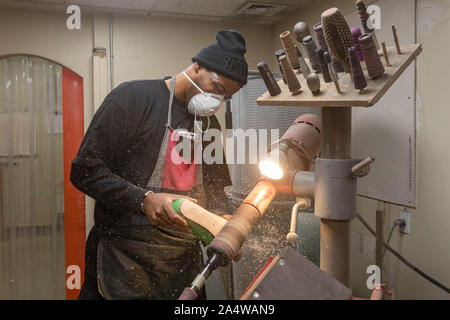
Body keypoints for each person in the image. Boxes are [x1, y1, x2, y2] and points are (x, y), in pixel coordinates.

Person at [70, 30, 248, 300]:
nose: (216, 101)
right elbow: (84, 170)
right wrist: (144, 199)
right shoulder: (133, 98)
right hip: (123, 259)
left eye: (225, 97)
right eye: (217, 88)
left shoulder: (208, 123)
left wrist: (222, 224)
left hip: (181, 264)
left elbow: (214, 191)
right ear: (197, 66)